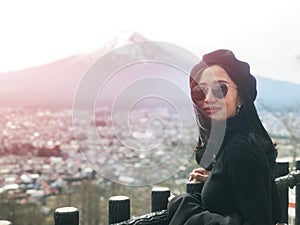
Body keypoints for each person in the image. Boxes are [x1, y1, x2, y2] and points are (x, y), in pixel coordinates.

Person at [167, 49, 284, 225]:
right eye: (200, 92)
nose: (208, 98)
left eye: (220, 89)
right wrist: (217, 180)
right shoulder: (242, 142)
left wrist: (183, 206)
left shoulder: (238, 150)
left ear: (240, 98)